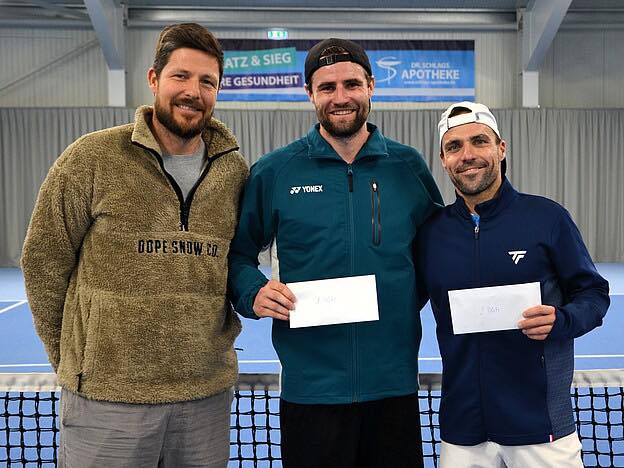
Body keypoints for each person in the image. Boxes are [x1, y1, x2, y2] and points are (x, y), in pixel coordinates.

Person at [21, 23, 248, 468]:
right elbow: (44, 260)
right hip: (106, 403)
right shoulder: (91, 157)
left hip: (204, 402)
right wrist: (76, 360)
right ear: (154, 79)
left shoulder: (233, 172)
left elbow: (235, 262)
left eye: (207, 81)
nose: (193, 91)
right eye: (180, 76)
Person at [227, 38, 443, 468]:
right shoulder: (276, 171)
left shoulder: (408, 167)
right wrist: (253, 291)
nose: (340, 97)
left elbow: (438, 250)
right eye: (327, 87)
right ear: (309, 93)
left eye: (351, 84)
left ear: (371, 86)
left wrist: (401, 299)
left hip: (393, 386)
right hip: (311, 392)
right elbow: (236, 254)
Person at [416, 101, 610, 468]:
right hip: (462, 433)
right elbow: (401, 301)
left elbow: (594, 294)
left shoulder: (548, 218)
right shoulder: (431, 234)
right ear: (443, 160)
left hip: (541, 429)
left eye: (479, 141)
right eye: (454, 146)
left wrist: (562, 320)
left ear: (501, 148)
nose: (467, 155)